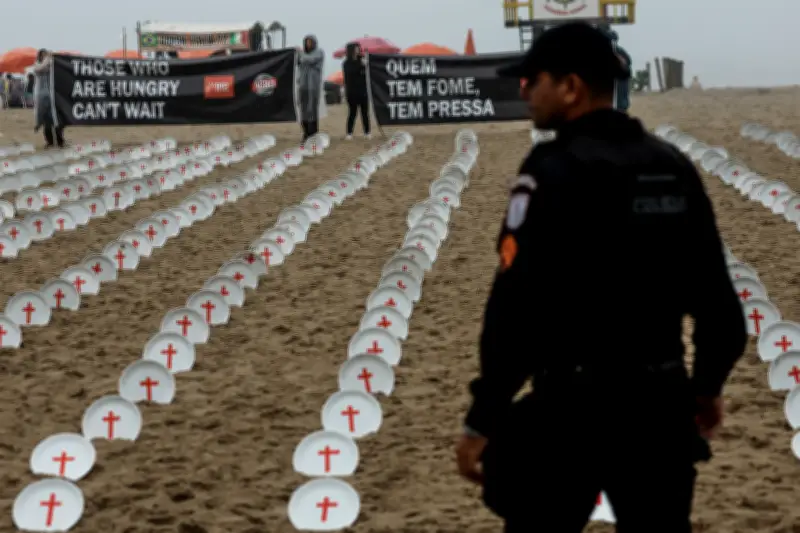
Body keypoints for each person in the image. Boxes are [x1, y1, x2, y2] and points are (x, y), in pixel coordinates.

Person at [455, 22, 747, 533]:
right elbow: (718, 302)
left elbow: (515, 308)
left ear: (571, 87)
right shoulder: (671, 166)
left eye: (533, 80)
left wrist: (484, 416)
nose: (524, 92)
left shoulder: (551, 170)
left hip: (569, 413)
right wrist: (705, 388)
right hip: (658, 410)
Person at [32, 49, 65, 148]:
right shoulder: (37, 65)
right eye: (42, 55)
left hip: (53, 95)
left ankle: (60, 141)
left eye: (45, 55)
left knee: (57, 119)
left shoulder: (53, 67)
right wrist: (48, 59)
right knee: (46, 120)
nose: (44, 57)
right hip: (41, 96)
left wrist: (54, 60)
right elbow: (39, 69)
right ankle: (50, 141)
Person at [297, 34, 324, 141]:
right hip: (303, 86)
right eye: (306, 42)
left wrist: (300, 53)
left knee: (311, 110)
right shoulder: (302, 55)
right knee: (303, 110)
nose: (308, 44)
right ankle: (306, 132)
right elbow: (297, 62)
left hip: (313, 86)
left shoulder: (319, 52)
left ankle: (313, 132)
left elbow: (310, 59)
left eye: (310, 42)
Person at [342, 42, 370, 140]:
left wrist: (366, 63)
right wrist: (361, 66)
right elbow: (351, 73)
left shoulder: (362, 59)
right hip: (352, 92)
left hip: (363, 91)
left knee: (365, 113)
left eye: (358, 48)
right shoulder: (346, 63)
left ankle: (367, 132)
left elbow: (367, 74)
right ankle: (349, 133)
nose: (358, 50)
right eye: (356, 48)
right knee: (352, 113)